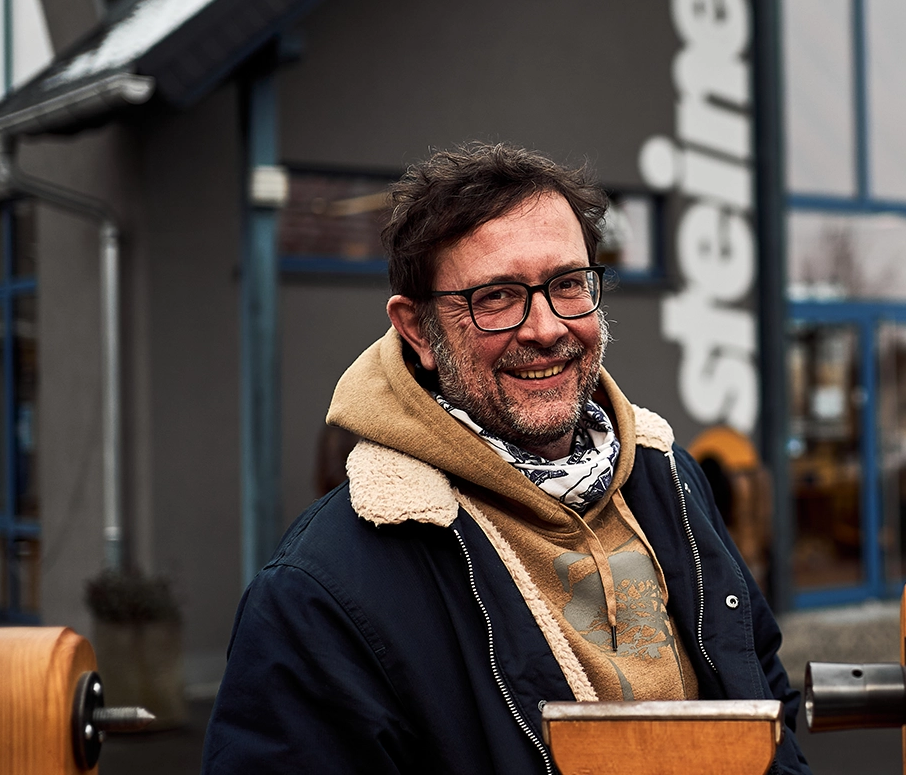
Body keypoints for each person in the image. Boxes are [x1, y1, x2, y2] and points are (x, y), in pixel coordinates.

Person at [204, 143, 809, 774]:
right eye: (496, 297)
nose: (546, 328)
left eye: (568, 285)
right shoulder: (319, 593)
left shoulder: (668, 479)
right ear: (418, 330)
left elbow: (759, 688)